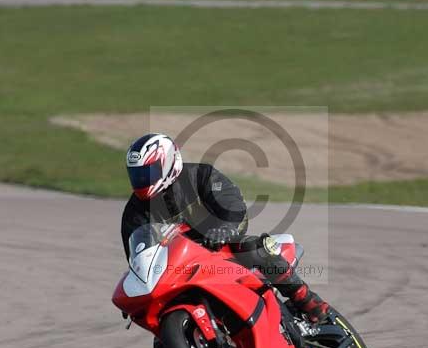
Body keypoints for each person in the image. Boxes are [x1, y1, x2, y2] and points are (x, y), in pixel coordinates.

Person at [120, 133, 330, 324]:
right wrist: (139, 289)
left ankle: (305, 299)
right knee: (162, 346)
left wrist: (224, 229)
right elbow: (138, 257)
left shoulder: (200, 175)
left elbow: (232, 203)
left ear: (167, 164)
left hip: (220, 240)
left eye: (147, 173)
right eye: (136, 175)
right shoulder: (134, 213)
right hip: (181, 265)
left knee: (255, 248)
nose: (141, 181)